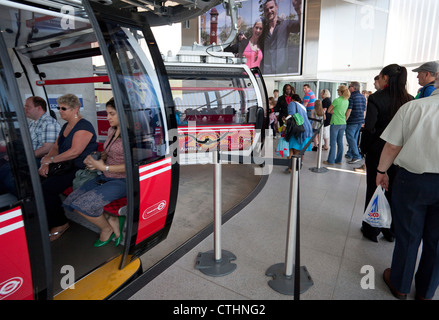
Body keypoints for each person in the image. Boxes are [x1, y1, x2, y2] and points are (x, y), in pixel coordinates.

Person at [376, 72, 439, 300]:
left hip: (413, 180)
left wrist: (381, 171)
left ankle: (400, 284)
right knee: (437, 241)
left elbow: (392, 146)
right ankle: (426, 291)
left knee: (409, 235)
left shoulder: (414, 107)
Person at [359, 64, 413, 243]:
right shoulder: (410, 100)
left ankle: (371, 228)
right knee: (395, 192)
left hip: (378, 152)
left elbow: (370, 127)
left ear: (386, 79)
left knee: (374, 188)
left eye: (380, 77)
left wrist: (365, 149)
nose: (379, 80)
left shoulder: (377, 98)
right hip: (400, 154)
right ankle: (391, 230)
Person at [63, 98, 126, 247]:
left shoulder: (132, 136)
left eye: (112, 114)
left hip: (123, 180)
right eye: (107, 113)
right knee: (71, 201)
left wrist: (103, 168)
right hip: (106, 176)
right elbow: (107, 152)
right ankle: (112, 220)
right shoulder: (112, 130)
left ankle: (106, 228)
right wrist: (95, 159)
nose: (107, 117)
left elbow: (133, 165)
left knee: (83, 205)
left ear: (123, 115)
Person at [39, 94, 98, 241]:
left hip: (78, 168)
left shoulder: (84, 126)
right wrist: (46, 163)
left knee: (46, 189)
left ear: (75, 109)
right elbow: (56, 146)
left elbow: (75, 152)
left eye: (63, 108)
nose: (60, 111)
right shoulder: (66, 126)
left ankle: (60, 223)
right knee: (36, 181)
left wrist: (50, 159)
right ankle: (48, 217)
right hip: (65, 165)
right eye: (58, 108)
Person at [261, 0, 301, 75]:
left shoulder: (285, 24)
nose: (269, 11)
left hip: (281, 72)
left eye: (271, 8)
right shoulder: (263, 30)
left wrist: (298, 9)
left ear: (276, 7)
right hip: (266, 72)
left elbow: (301, 26)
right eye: (266, 10)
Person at [25, 96, 61, 166]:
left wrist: (25, 157)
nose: (25, 109)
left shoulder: (48, 123)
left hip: (40, 160)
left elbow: (48, 148)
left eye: (28, 107)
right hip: (31, 157)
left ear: (38, 108)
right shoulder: (32, 122)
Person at [285, 95, 313, 173]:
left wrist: (284, 124)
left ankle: (291, 168)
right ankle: (298, 165)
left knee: (291, 148)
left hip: (297, 129)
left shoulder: (292, 103)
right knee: (299, 149)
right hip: (306, 129)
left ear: (292, 99)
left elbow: (291, 114)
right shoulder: (303, 107)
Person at [323, 85, 350, 165]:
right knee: (340, 142)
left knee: (333, 143)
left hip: (335, 123)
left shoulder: (337, 100)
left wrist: (334, 112)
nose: (337, 91)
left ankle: (330, 161)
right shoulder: (346, 101)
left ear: (340, 92)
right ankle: (339, 160)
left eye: (338, 90)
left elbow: (329, 110)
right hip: (343, 123)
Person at [345, 82, 366, 164]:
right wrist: (363, 120)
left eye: (349, 86)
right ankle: (350, 153)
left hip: (352, 120)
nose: (348, 88)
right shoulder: (362, 97)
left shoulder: (351, 97)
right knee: (354, 138)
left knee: (350, 137)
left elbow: (349, 110)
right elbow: (364, 110)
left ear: (353, 87)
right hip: (360, 121)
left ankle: (356, 155)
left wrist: (345, 119)